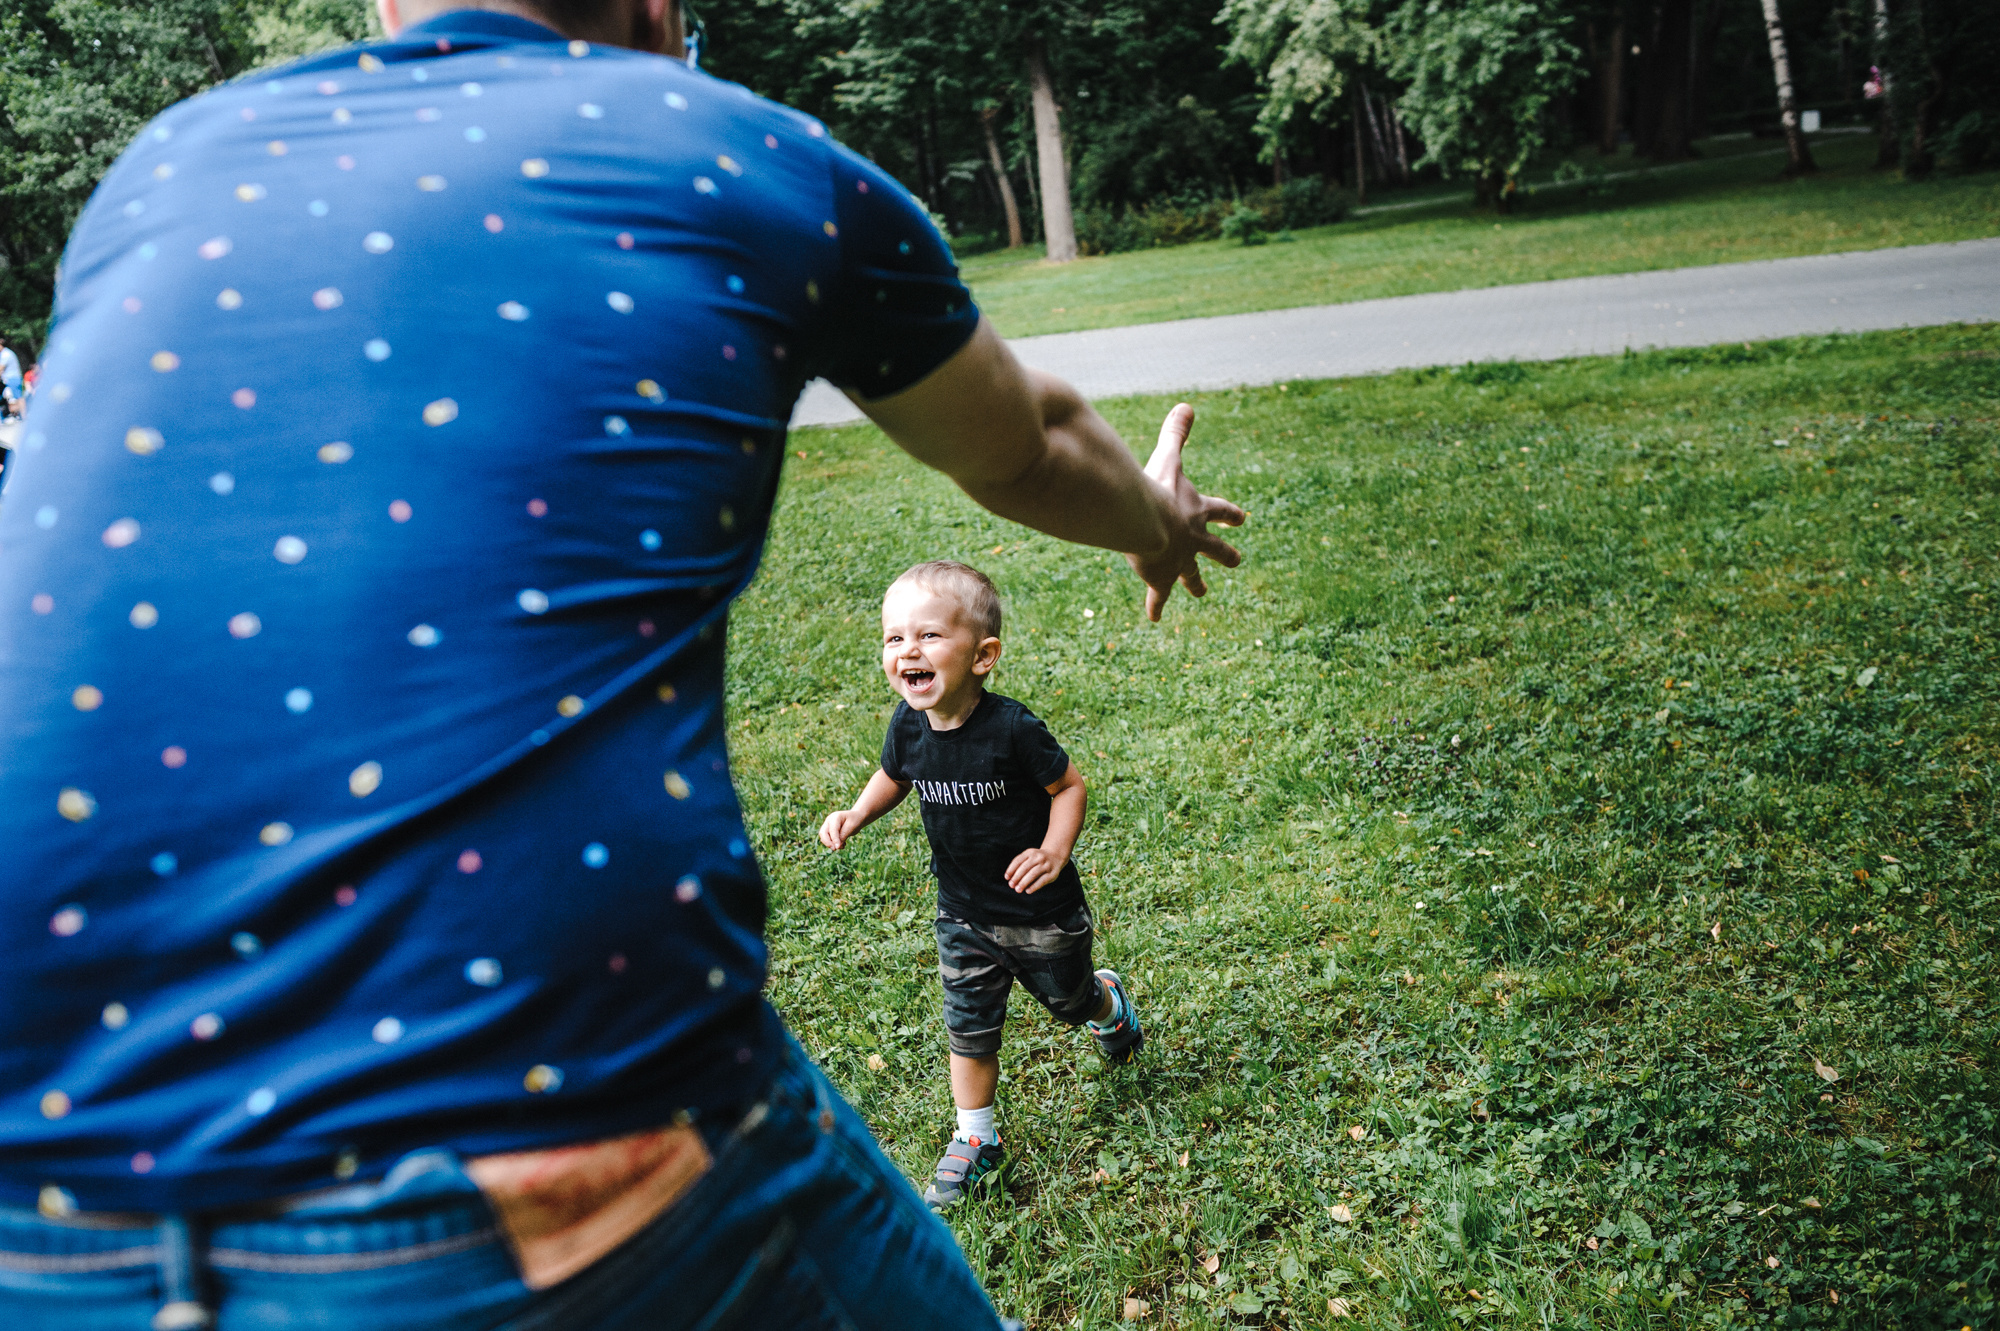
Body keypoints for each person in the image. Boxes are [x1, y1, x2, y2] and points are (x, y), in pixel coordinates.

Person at [0, 0, 1243, 1325]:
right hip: (537, 1142)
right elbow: (1026, 439)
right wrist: (1158, 520)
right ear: (662, 14)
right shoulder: (750, 157)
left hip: (36, 1185)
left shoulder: (172, 161)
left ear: (380, 10)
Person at [819, 561, 1144, 1210]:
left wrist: (1055, 848)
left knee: (1069, 1001)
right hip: (963, 914)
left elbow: (1069, 786)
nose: (908, 649)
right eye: (894, 637)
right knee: (968, 1028)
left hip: (1041, 913)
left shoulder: (1011, 729)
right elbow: (895, 773)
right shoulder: (907, 727)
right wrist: (858, 811)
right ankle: (977, 1137)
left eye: (930, 635)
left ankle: (1106, 1001)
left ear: (984, 655)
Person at [0, 335, 22, 421]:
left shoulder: (6, 354)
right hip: (9, 378)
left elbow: (1, 368)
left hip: (12, 378)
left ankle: (23, 416)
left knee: (18, 398)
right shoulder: (4, 354)